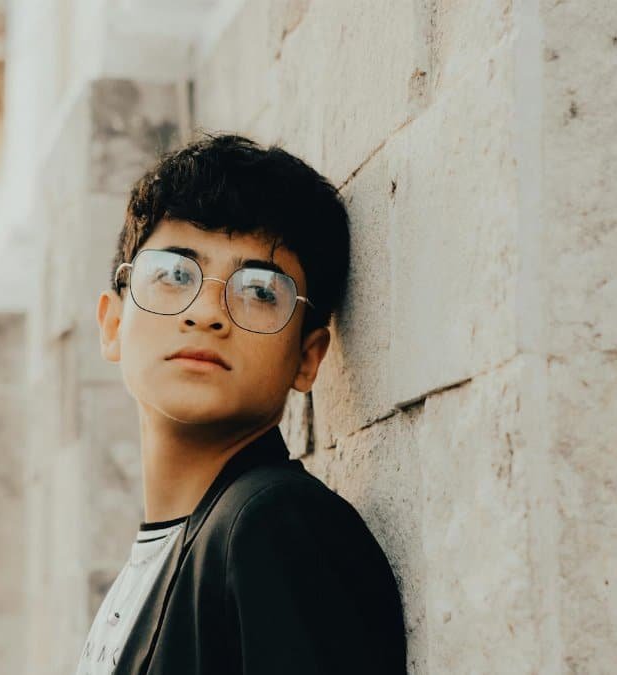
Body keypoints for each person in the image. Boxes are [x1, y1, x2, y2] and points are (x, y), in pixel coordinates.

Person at [80, 132, 407, 674]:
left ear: (308, 356)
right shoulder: (172, 553)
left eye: (259, 290)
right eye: (174, 274)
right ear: (113, 324)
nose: (207, 312)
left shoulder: (277, 525)